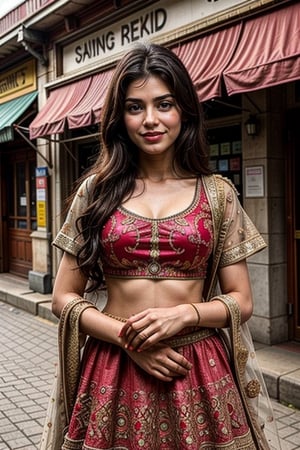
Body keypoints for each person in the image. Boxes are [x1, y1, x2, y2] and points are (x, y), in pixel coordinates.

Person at [50, 43, 277, 449]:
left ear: (185, 110)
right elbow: (63, 297)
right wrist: (128, 340)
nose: (150, 120)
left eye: (164, 104)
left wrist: (185, 315)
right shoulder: (96, 192)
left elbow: (242, 301)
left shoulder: (218, 194)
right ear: (119, 117)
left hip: (197, 369)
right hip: (114, 368)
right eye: (135, 107)